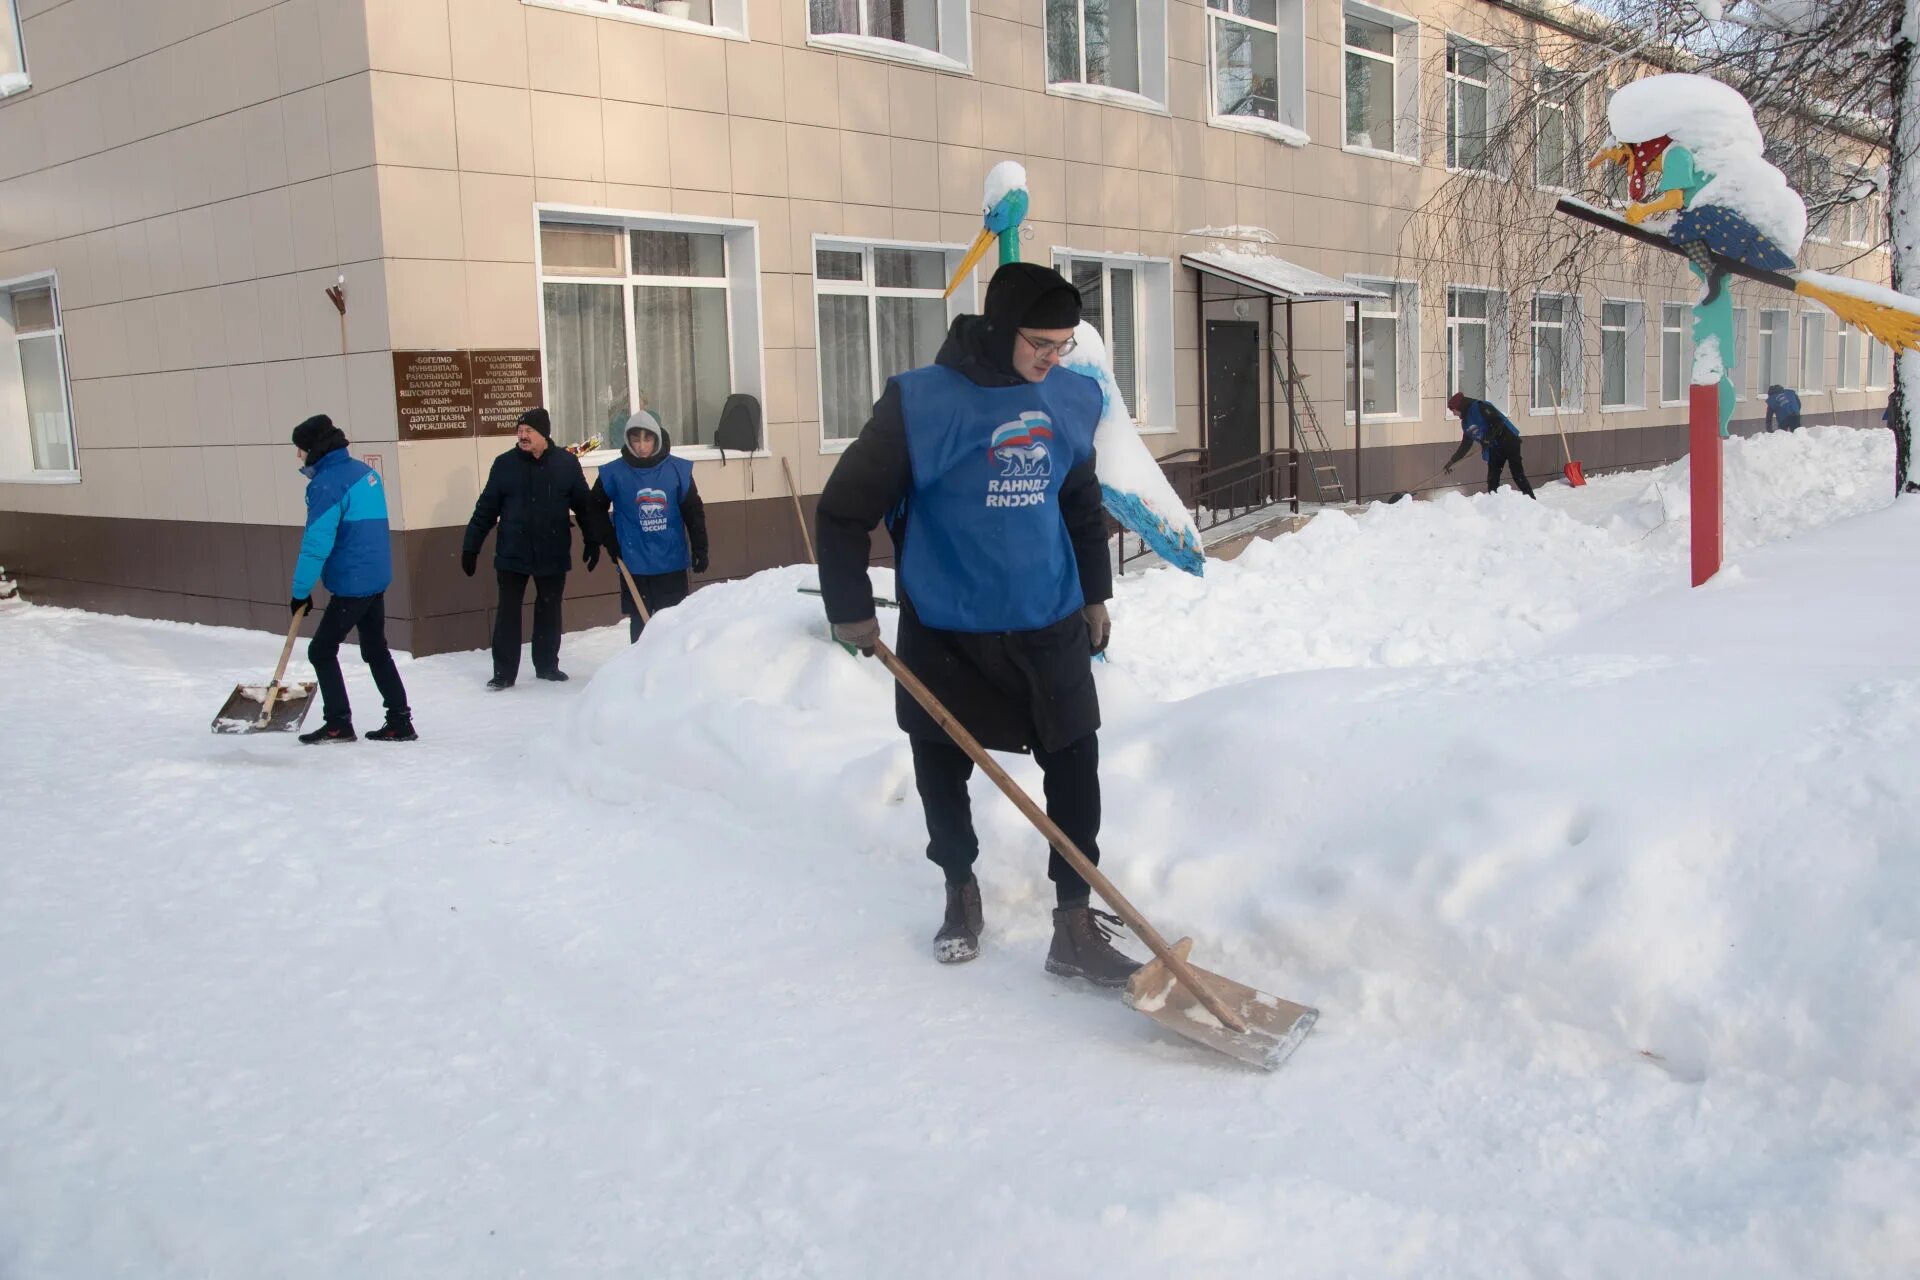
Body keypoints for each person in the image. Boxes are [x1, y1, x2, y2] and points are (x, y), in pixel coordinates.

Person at [815, 261, 1139, 986]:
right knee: (941, 765)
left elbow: (1079, 502)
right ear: (999, 329)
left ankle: (1074, 921)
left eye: (1064, 345)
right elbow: (841, 511)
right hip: (948, 624)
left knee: (1075, 762)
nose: (1053, 359)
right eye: (1040, 344)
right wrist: (852, 612)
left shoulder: (1069, 398)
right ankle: (960, 891)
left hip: (1046, 617)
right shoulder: (921, 405)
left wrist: (1094, 594)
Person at [288, 414, 414, 744]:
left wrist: (300, 591)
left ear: (314, 448)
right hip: (373, 576)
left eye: (300, 449)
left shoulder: (328, 485)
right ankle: (400, 720)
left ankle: (337, 723)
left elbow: (316, 544)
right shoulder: (364, 473)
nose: (298, 456)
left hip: (353, 582)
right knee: (375, 649)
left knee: (321, 650)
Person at [462, 408, 602, 688]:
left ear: (544, 434)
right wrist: (471, 546)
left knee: (549, 610)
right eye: (520, 431)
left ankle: (547, 665)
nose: (523, 436)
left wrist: (593, 539)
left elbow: (585, 507)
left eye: (529, 431)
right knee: (509, 612)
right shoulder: (505, 464)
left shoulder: (566, 464)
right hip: (513, 550)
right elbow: (486, 509)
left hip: (553, 549)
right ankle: (503, 672)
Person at [590, 411, 709, 643]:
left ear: (657, 439)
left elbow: (693, 511)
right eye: (636, 439)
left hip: (670, 561)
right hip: (634, 562)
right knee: (640, 624)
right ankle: (640, 672)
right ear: (627, 440)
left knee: (672, 621)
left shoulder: (677, 470)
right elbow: (594, 508)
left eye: (647, 439)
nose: (642, 446)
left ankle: (670, 670)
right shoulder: (614, 473)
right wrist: (609, 541)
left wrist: (700, 548)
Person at [1444, 390, 1536, 498]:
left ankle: (1531, 500)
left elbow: (1497, 421)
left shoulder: (1480, 407)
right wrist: (1453, 461)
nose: (1454, 414)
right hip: (1494, 448)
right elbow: (1465, 445)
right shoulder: (1465, 423)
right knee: (1492, 479)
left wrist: (1488, 438)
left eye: (1454, 410)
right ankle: (1494, 506)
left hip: (1508, 440)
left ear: (1459, 407)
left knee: (1517, 474)